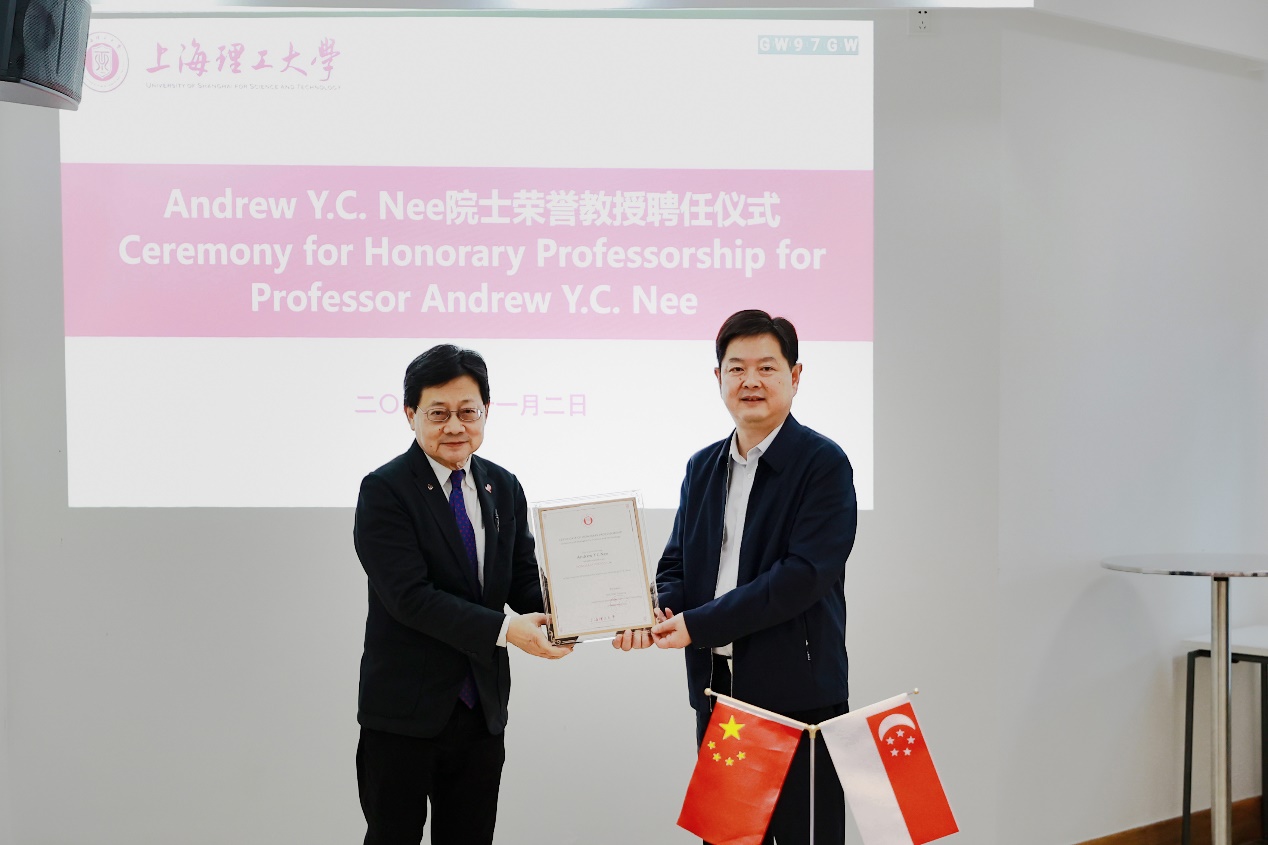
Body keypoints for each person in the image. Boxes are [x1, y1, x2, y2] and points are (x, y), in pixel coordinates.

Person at [615, 309, 857, 845]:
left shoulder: (823, 464)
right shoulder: (702, 466)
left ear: (795, 376)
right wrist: (661, 610)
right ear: (718, 377)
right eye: (737, 368)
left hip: (798, 695)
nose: (751, 381)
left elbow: (801, 577)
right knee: (726, 840)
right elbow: (676, 564)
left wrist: (697, 625)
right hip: (719, 692)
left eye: (767, 368)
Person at [353, 344, 572, 845]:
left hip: (480, 712)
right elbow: (410, 597)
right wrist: (506, 630)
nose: (455, 426)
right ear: (410, 414)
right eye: (438, 413)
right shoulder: (385, 490)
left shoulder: (503, 486)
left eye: (468, 412)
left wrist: (582, 612)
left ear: (486, 411)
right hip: (404, 714)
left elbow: (521, 580)